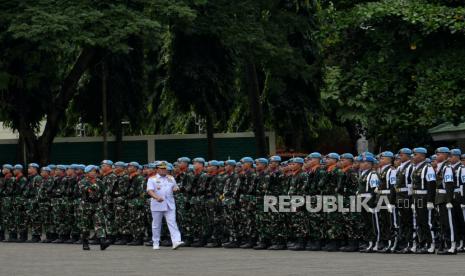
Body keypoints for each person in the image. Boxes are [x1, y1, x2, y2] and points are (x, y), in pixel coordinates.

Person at [147, 161, 184, 250]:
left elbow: (175, 187)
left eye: (165, 169)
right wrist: (156, 197)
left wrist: (176, 189)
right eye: (161, 169)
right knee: (156, 224)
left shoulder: (171, 178)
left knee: (172, 222)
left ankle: (176, 241)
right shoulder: (152, 179)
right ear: (157, 169)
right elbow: (150, 191)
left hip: (169, 204)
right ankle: (156, 242)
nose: (164, 170)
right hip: (157, 204)